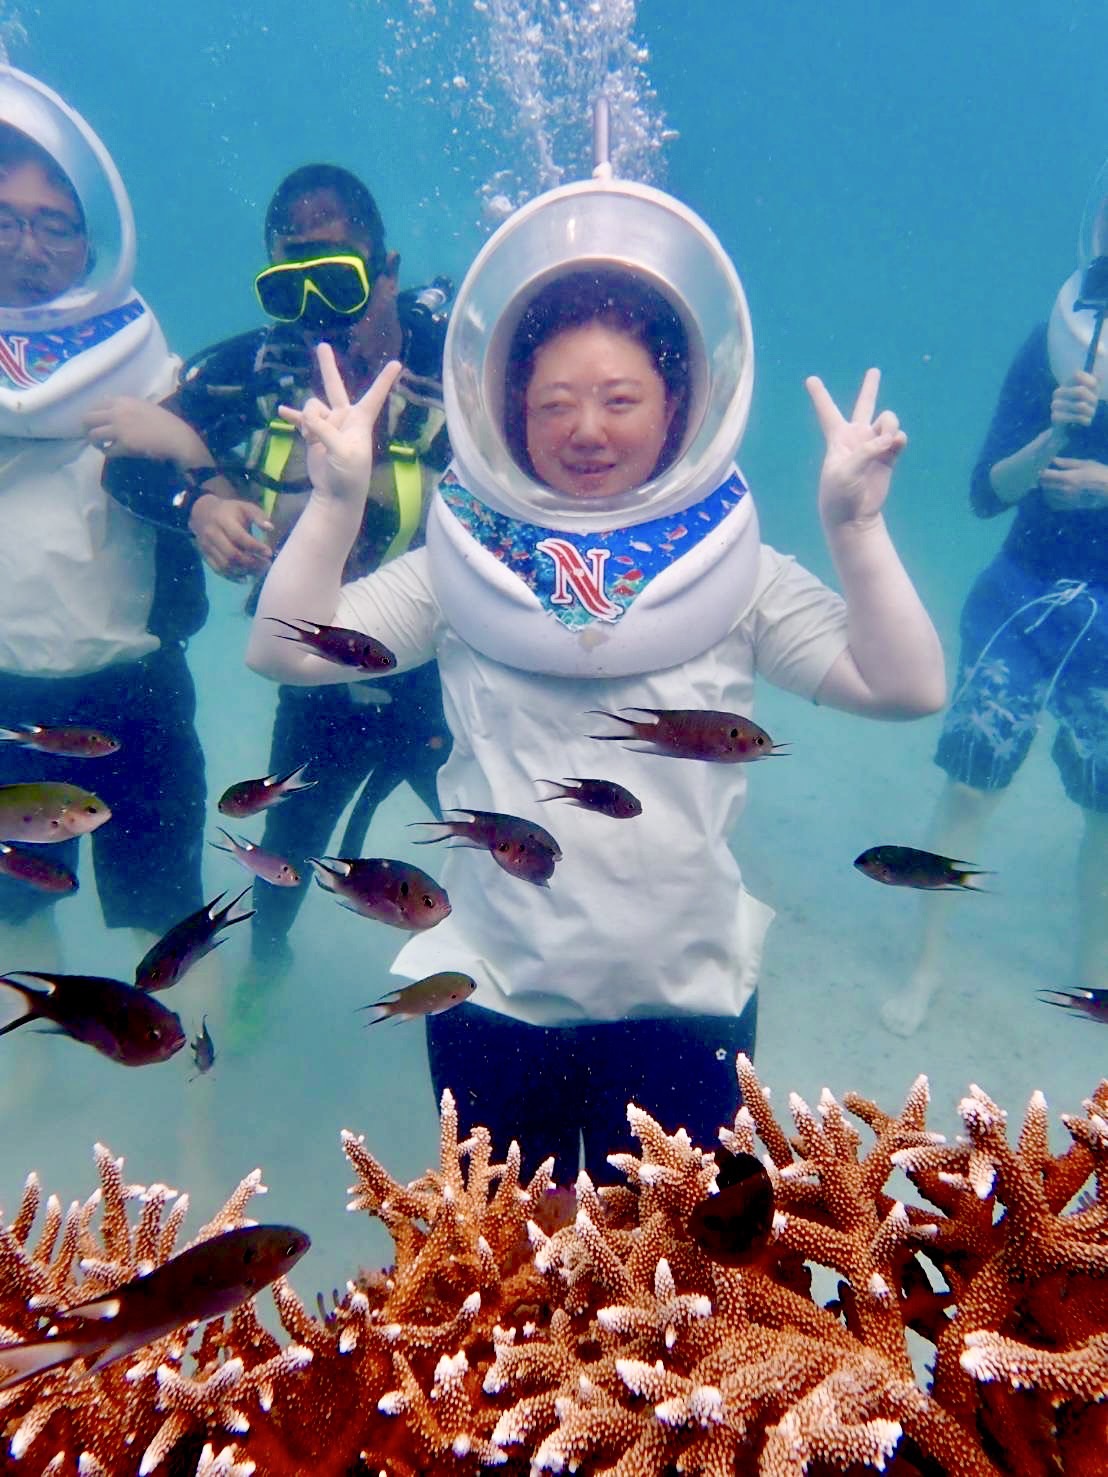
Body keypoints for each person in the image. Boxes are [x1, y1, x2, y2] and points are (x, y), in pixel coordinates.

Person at [246, 161, 945, 1182]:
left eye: (621, 399)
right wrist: (335, 499)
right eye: (554, 402)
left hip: (685, 1000)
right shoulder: (457, 563)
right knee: (508, 1268)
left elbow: (907, 686)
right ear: (508, 412)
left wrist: (857, 527)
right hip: (489, 996)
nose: (586, 429)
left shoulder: (737, 570)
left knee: (670, 1272)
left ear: (679, 404)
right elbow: (282, 649)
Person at [98, 164, 453, 1028]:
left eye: (338, 279)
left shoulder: (459, 359)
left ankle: (512, 996)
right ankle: (266, 972)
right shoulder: (251, 373)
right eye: (290, 288)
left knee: (495, 838)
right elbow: (123, 463)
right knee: (287, 855)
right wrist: (200, 501)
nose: (317, 313)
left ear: (388, 271)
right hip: (316, 679)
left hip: (448, 675)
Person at [882, 201, 1108, 1038]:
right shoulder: (1052, 344)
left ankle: (1095, 977)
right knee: (971, 783)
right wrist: (1050, 437)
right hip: (1025, 592)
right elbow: (986, 492)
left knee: (1106, 811)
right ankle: (925, 965)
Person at [0, 68, 208, 973]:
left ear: (91, 239)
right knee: (15, 916)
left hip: (136, 694)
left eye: (55, 224)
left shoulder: (146, 356)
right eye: (5, 220)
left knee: (164, 928)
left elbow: (219, 501)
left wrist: (183, 444)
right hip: (4, 699)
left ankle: (183, 1069)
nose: (30, 247)